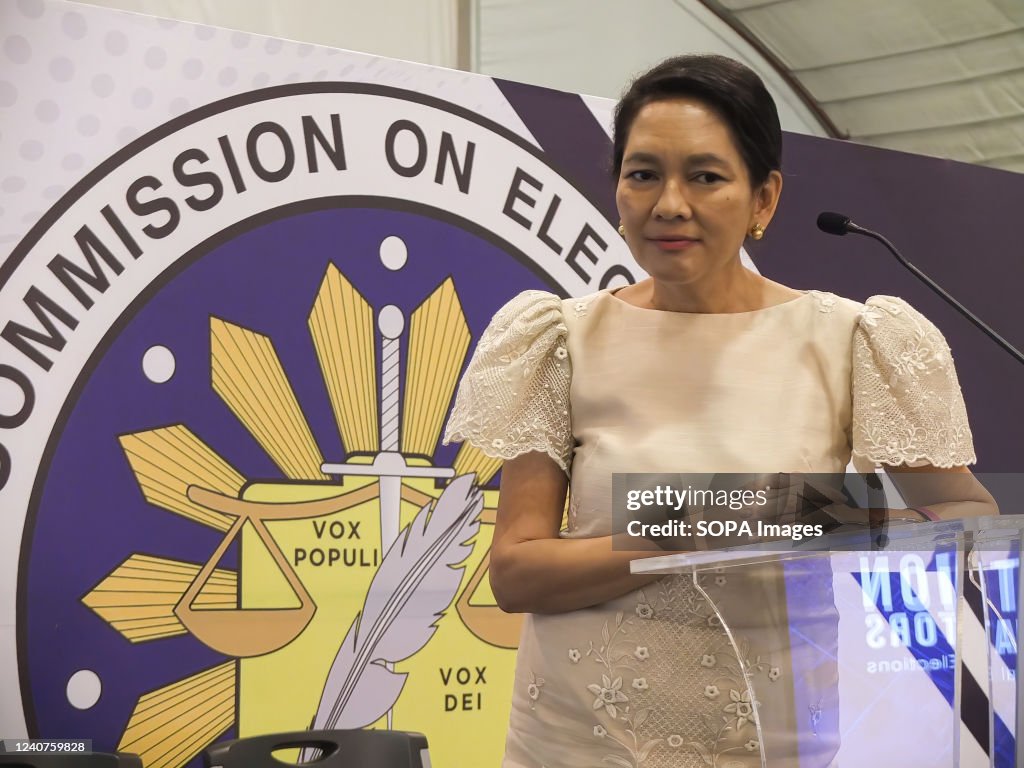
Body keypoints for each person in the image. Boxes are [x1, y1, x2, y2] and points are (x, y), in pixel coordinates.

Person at [443, 54, 997, 768]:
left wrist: (810, 512)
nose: (669, 203)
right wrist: (693, 528)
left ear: (763, 199)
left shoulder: (850, 338)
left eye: (705, 176)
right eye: (643, 174)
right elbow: (516, 573)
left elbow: (965, 517)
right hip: (579, 741)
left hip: (778, 740)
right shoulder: (559, 338)